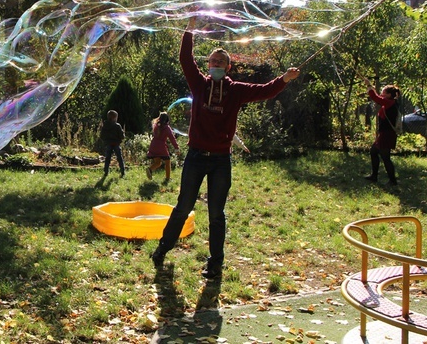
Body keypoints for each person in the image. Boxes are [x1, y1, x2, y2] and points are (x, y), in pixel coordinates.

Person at [150, 26, 300, 281]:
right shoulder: (198, 84)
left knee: (217, 213)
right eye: (213, 61)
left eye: (221, 61)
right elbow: (185, 59)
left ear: (228, 67)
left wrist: (284, 78)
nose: (216, 64)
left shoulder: (237, 90)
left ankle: (215, 263)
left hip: (221, 160)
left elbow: (265, 90)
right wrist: (189, 31)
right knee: (183, 206)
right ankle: (163, 248)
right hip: (196, 157)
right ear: (207, 64)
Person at [360, 75, 400, 186]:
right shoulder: (390, 102)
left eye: (383, 92)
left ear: (388, 94)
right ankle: (374, 176)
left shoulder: (389, 102)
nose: (382, 93)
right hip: (385, 133)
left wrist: (368, 85)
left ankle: (392, 180)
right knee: (374, 152)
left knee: (385, 156)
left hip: (387, 134)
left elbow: (376, 98)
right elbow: (377, 96)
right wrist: (370, 87)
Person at [146, 112, 180, 181]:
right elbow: (172, 138)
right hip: (161, 147)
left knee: (158, 163)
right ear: (167, 119)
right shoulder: (167, 128)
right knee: (168, 162)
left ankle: (150, 169)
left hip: (153, 145)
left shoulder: (156, 125)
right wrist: (176, 148)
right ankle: (167, 178)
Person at [100, 110, 126, 177]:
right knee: (119, 158)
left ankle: (106, 171)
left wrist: (105, 141)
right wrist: (122, 136)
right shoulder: (117, 126)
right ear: (115, 118)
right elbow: (121, 136)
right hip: (116, 143)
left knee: (107, 158)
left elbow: (102, 135)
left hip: (108, 143)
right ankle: (122, 171)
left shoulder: (105, 126)